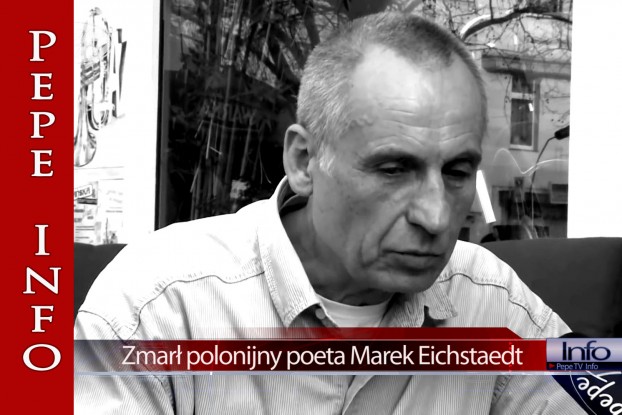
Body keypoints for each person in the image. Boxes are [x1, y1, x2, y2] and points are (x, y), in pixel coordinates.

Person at [75, 11, 584, 414]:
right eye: (394, 169)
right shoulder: (157, 305)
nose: (435, 217)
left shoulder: (495, 302)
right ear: (304, 161)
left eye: (456, 172)